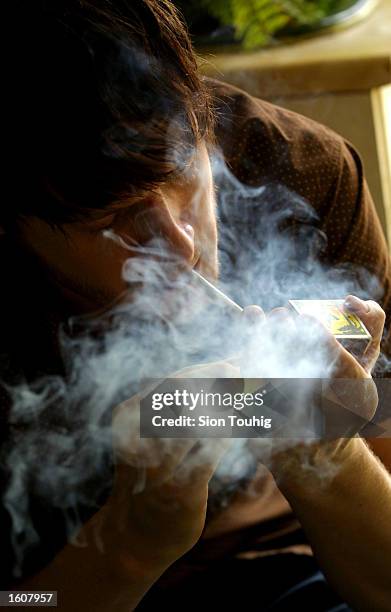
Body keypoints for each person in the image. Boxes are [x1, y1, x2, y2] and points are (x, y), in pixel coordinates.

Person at [2, 1, 391, 610]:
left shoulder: (302, 169)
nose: (179, 248)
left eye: (184, 171)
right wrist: (129, 543)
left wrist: (326, 453)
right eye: (112, 221)